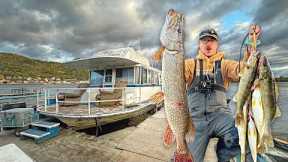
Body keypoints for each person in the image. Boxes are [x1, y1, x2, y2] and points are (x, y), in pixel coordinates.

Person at [184, 27, 257, 162]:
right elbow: (177, 73)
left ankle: (227, 155)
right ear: (199, 44)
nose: (208, 44)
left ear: (217, 45)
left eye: (212, 40)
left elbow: (243, 69)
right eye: (205, 40)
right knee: (186, 157)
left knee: (238, 138)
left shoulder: (224, 65)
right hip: (195, 120)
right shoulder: (190, 64)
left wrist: (251, 42)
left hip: (221, 116)